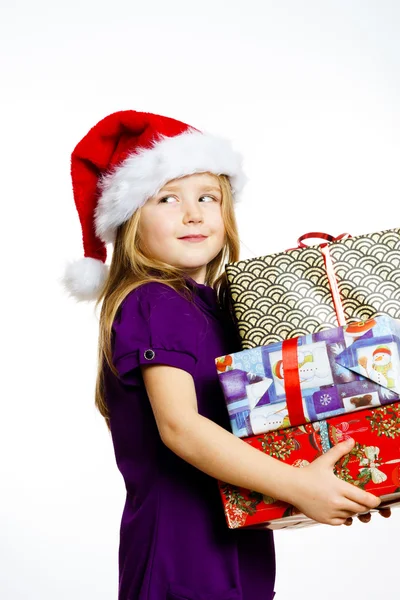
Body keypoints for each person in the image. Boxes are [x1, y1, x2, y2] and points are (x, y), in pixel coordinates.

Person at [63, 110, 388, 600]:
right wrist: (301, 486)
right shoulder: (155, 300)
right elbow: (181, 427)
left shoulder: (217, 307)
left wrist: (340, 480)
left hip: (235, 544)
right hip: (181, 552)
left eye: (206, 197)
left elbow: (265, 424)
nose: (192, 213)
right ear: (129, 221)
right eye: (166, 198)